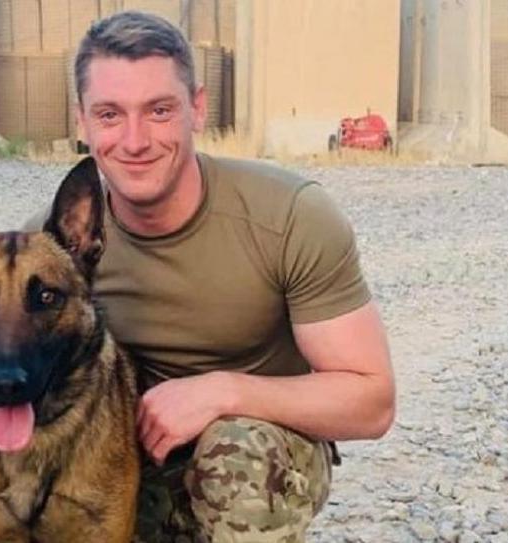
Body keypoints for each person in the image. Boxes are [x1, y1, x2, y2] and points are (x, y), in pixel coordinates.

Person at [31, 10, 395, 542]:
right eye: (110, 115)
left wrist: (223, 392)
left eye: (159, 111)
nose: (134, 141)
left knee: (236, 453)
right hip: (125, 459)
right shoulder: (54, 255)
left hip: (252, 453)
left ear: (197, 109)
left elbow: (372, 401)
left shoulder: (289, 216)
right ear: (82, 121)